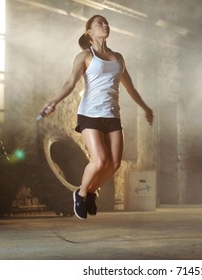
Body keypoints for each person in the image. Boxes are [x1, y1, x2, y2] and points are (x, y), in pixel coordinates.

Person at [40, 15, 153, 220]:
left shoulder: (118, 57)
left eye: (106, 23)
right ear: (89, 32)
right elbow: (70, 83)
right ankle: (81, 194)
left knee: (114, 164)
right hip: (90, 114)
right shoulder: (84, 56)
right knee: (100, 160)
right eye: (99, 23)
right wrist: (53, 101)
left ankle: (91, 193)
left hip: (112, 114)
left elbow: (130, 87)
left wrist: (146, 108)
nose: (105, 25)